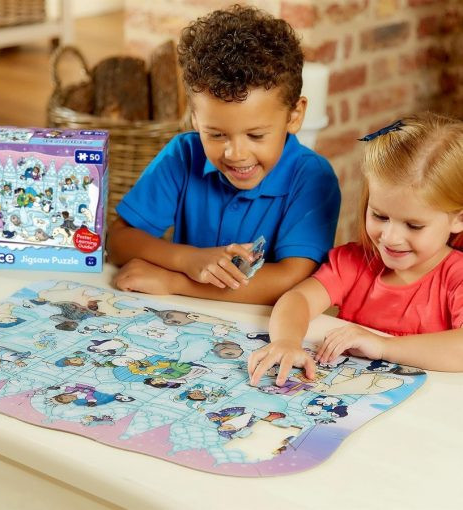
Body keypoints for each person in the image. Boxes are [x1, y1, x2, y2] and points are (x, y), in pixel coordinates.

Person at [107, 4, 340, 305]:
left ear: (294, 116)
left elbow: (293, 280)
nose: (236, 154)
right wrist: (188, 259)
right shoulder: (183, 155)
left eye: (256, 135)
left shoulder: (312, 178)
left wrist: (175, 282)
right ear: (195, 119)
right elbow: (118, 241)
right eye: (216, 135)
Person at [248, 112, 463, 386]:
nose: (391, 237)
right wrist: (286, 341)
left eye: (413, 225)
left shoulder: (456, 277)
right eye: (380, 216)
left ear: (458, 219)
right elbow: (297, 299)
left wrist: (382, 346)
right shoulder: (354, 262)